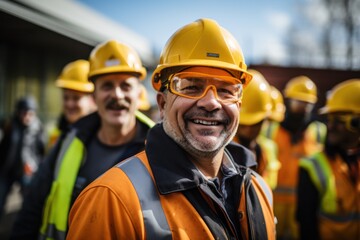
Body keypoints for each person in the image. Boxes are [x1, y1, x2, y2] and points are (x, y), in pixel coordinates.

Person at [67, 18, 276, 240]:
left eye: (226, 90)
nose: (211, 103)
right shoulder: (112, 199)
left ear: (239, 106)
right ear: (163, 103)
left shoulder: (258, 189)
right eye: (191, 87)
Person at [10, 40, 154, 240]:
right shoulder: (68, 141)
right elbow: (33, 205)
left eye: (125, 85)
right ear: (94, 95)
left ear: (138, 94)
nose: (117, 94)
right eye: (107, 86)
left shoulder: (157, 148)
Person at [296, 79, 360, 240]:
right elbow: (306, 227)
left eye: (338, 121)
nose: (330, 127)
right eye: (329, 120)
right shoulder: (311, 166)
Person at [270, 76, 327, 239]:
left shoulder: (318, 132)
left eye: (306, 104)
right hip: (274, 203)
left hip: (303, 205)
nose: (301, 108)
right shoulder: (272, 130)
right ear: (289, 102)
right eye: (298, 102)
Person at [233, 70, 281, 189]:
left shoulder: (265, 151)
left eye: (255, 124)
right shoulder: (222, 154)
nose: (249, 129)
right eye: (244, 124)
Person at [0, 96, 46, 216]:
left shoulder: (38, 129)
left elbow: (41, 152)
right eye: (23, 113)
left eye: (30, 113)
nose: (26, 117)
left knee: (28, 203)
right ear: (18, 112)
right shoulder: (10, 126)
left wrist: (35, 167)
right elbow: (3, 147)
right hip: (8, 170)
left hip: (27, 171)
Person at [47, 59, 96, 149]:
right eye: (66, 98)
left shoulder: (100, 138)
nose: (69, 104)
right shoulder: (57, 133)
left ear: (93, 99)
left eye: (76, 98)